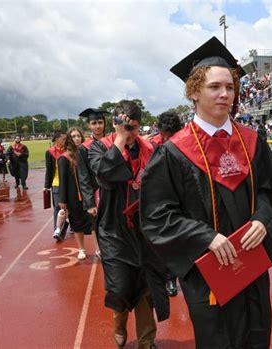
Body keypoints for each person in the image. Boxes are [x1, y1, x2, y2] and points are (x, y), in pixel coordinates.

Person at [140, 37, 272, 348]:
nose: (225, 94)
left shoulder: (252, 142)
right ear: (194, 92)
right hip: (207, 273)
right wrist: (205, 236)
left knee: (256, 336)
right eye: (214, 87)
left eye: (230, 87)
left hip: (251, 269)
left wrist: (263, 219)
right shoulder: (173, 153)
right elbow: (157, 217)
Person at [88, 100, 169, 349]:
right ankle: (119, 320)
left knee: (146, 287)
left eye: (134, 128)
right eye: (126, 127)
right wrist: (120, 140)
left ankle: (147, 340)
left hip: (143, 227)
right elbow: (103, 175)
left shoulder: (150, 149)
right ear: (116, 123)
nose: (131, 133)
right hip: (113, 228)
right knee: (120, 286)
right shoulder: (98, 148)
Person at [145, 111, 183, 298]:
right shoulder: (152, 144)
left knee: (177, 241)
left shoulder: (184, 143)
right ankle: (164, 275)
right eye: (164, 134)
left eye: (171, 135)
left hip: (180, 198)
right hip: (159, 198)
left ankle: (171, 277)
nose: (167, 138)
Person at [77, 108, 109, 257]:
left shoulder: (112, 142)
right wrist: (89, 203)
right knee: (96, 223)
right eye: (94, 123)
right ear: (89, 125)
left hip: (112, 189)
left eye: (100, 122)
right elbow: (83, 177)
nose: (97, 126)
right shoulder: (84, 148)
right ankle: (99, 249)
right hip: (96, 192)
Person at [58, 128, 93, 260]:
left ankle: (98, 248)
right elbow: (62, 180)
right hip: (73, 195)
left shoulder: (87, 153)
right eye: (73, 136)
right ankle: (81, 249)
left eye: (79, 136)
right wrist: (62, 200)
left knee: (94, 222)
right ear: (69, 139)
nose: (77, 138)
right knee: (77, 222)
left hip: (89, 193)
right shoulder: (64, 158)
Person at [44, 130, 66, 239]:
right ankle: (57, 229)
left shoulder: (68, 151)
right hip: (56, 183)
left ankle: (68, 226)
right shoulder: (50, 152)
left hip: (68, 183)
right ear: (57, 139)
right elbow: (49, 169)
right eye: (63, 139)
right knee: (58, 207)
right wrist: (46, 186)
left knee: (70, 206)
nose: (65, 141)